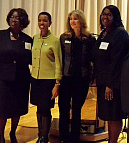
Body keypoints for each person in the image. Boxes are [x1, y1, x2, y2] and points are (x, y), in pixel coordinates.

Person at [0, 8, 32, 143]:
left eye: (17, 17)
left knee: (17, 108)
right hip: (1, 80)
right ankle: (1, 136)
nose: (13, 19)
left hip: (21, 80)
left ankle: (12, 133)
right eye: (11, 17)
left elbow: (32, 59)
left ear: (22, 21)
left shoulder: (27, 40)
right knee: (0, 109)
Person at [58, 10, 96, 143]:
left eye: (75, 19)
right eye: (70, 19)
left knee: (76, 110)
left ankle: (74, 138)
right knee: (63, 109)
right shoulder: (64, 37)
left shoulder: (90, 39)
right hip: (66, 78)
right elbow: (60, 59)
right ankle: (63, 137)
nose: (72, 22)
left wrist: (92, 77)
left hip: (82, 78)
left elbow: (93, 59)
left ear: (81, 21)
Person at [94, 5, 128, 143]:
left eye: (109, 15)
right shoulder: (103, 33)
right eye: (103, 14)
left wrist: (110, 85)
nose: (105, 17)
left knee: (114, 115)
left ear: (115, 17)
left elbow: (117, 62)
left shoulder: (120, 33)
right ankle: (111, 139)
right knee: (108, 114)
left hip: (114, 84)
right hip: (103, 81)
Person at [30, 12, 62, 143]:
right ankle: (40, 134)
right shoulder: (35, 38)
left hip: (48, 80)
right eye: (40, 20)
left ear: (50, 23)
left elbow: (59, 62)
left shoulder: (55, 40)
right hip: (35, 78)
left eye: (45, 21)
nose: (42, 23)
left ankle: (44, 136)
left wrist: (57, 83)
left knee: (45, 108)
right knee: (38, 107)